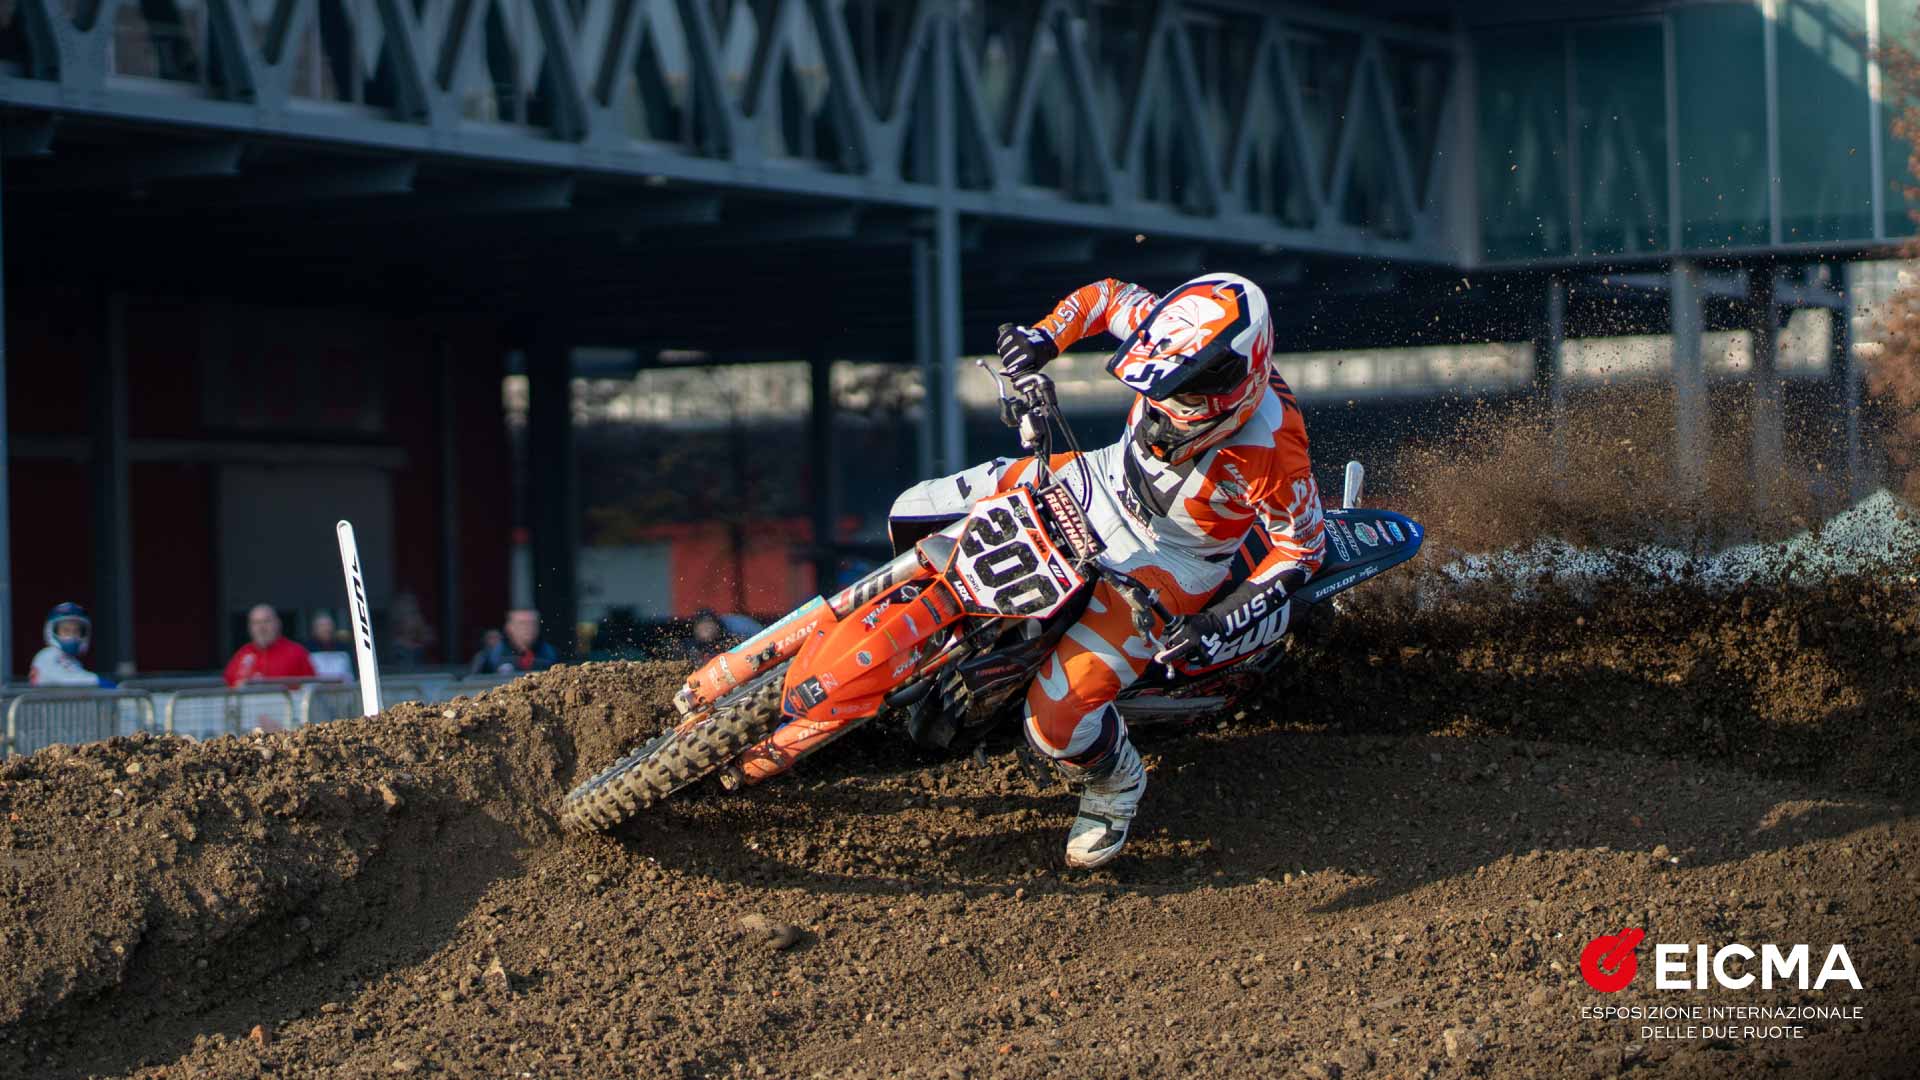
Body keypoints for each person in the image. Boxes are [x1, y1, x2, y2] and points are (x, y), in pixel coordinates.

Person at [888, 273, 1325, 869]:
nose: (1167, 408)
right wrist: (1043, 339)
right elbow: (1107, 296)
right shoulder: (1175, 333)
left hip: (1170, 560)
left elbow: (1301, 549)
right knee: (912, 510)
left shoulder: (1273, 447)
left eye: (1184, 396)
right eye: (1162, 389)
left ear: (1234, 382)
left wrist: (1218, 620)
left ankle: (1115, 782)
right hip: (1094, 480)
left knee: (1056, 722)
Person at [224, 604, 316, 686]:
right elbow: (228, 687)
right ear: (249, 627)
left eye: (266, 621)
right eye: (255, 623)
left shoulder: (297, 653)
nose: (261, 627)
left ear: (278, 624)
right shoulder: (241, 655)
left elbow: (313, 688)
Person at [29, 602, 115, 687]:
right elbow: (60, 679)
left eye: (76, 631)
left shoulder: (74, 662)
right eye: (66, 630)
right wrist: (96, 680)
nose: (72, 636)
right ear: (52, 632)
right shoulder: (46, 655)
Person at [476, 609, 557, 674]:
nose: (528, 628)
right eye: (522, 623)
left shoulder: (551, 654)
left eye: (533, 623)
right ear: (509, 627)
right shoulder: (492, 656)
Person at [302, 610, 355, 680]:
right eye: (321, 625)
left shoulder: (344, 648)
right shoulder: (306, 649)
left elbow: (351, 674)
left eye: (328, 625)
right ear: (314, 629)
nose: (326, 629)